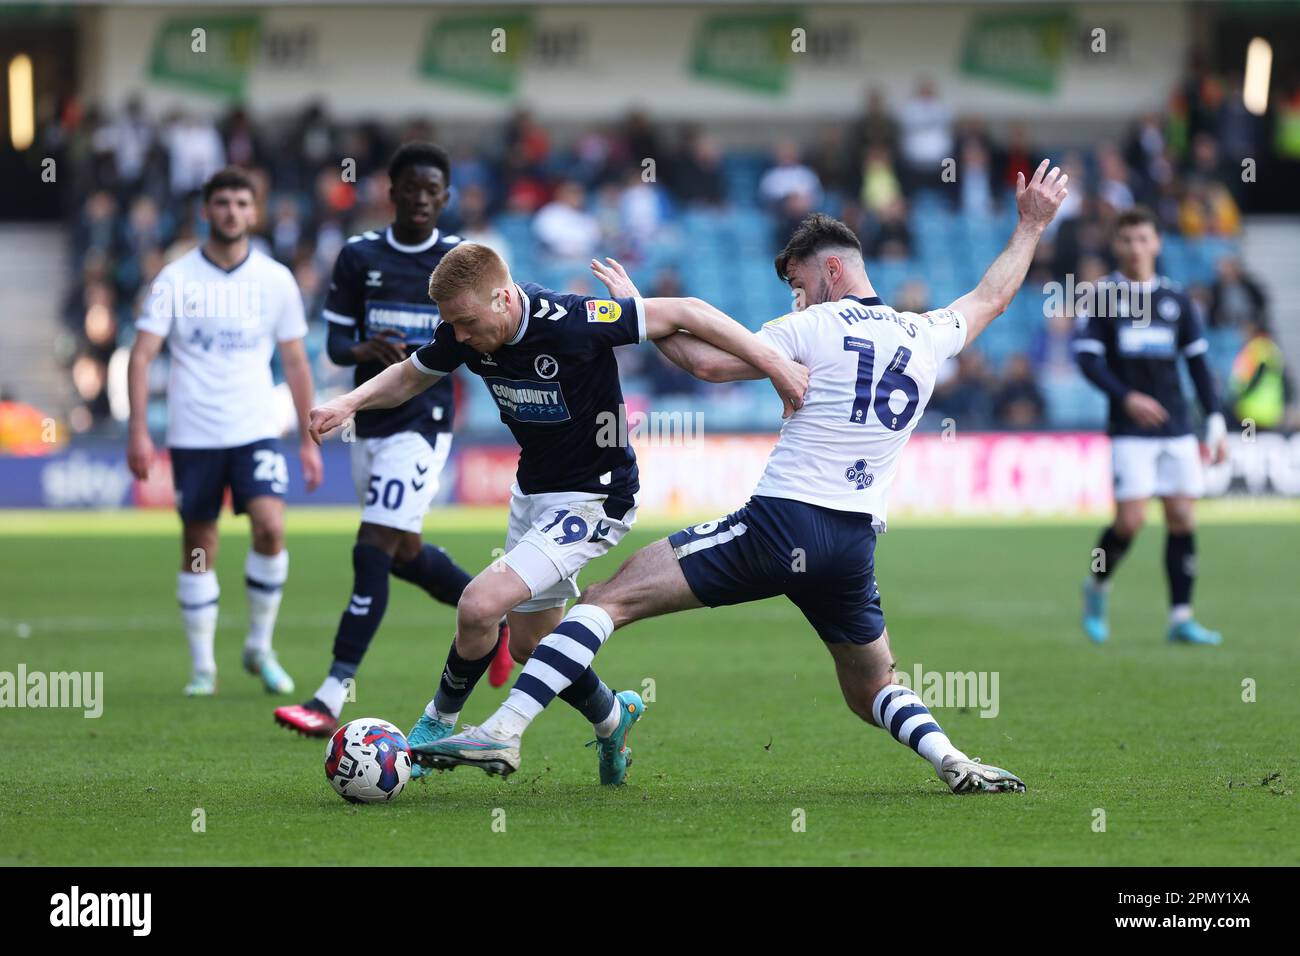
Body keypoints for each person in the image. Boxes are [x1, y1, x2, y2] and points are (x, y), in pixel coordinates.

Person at [417, 159, 1070, 794]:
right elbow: (994, 295)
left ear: (832, 270)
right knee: (872, 688)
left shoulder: (811, 325)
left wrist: (639, 311)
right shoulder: (925, 333)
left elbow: (704, 362)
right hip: (853, 544)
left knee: (601, 601)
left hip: (781, 522)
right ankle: (953, 757)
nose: (796, 294)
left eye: (799, 280)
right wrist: (1032, 226)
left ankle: (503, 728)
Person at [305, 242, 807, 784]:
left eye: (468, 323)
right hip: (534, 494)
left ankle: (435, 724)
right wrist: (349, 403)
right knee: (530, 646)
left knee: (478, 606)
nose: (460, 337)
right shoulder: (463, 330)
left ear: (503, 297)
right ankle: (614, 717)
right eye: (452, 326)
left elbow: (687, 311)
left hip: (596, 497)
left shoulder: (571, 320)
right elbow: (412, 374)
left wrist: (775, 363)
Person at [273, 143, 509, 745]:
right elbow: (335, 346)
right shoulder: (358, 257)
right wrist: (363, 352)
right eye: (413, 188)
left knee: (370, 547)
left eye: (435, 191)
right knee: (403, 551)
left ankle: (330, 695)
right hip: (369, 423)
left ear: (446, 197)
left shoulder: (461, 262)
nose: (424, 199)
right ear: (393, 191)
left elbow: (482, 338)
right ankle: (495, 613)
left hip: (423, 421)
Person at [127, 167, 323, 696]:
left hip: (256, 429)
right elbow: (142, 357)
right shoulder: (175, 278)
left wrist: (307, 438)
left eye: (241, 203)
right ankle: (203, 668)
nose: (232, 212)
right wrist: (139, 431)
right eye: (222, 203)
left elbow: (297, 364)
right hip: (193, 434)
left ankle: (259, 646)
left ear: (254, 213)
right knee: (199, 543)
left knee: (270, 528)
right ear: (206, 211)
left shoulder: (275, 279)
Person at [1073, 206, 1228, 646]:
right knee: (1130, 521)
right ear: (1115, 245)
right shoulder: (1101, 296)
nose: (1136, 247)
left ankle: (1181, 616)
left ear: (1158, 242)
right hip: (1129, 429)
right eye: (1127, 240)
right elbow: (1087, 360)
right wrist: (1127, 397)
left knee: (1181, 516)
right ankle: (1097, 586)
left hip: (1177, 427)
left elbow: (1199, 365)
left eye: (1143, 238)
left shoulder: (1177, 300)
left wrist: (1214, 419)